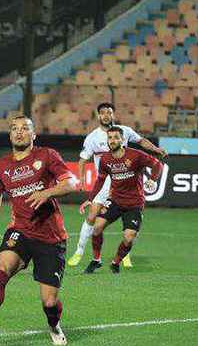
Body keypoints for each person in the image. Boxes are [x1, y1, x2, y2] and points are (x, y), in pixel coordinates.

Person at [0, 115, 80, 346]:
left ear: (33, 134)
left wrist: (47, 193)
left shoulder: (47, 156)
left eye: (25, 128)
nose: (19, 132)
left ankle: (54, 325)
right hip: (20, 230)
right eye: (14, 129)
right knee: (3, 268)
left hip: (51, 237)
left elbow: (72, 183)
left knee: (49, 302)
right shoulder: (1, 165)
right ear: (10, 135)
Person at [68, 103, 167, 271]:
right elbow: (84, 160)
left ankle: (123, 257)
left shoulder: (125, 132)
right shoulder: (93, 138)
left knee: (127, 233)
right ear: (98, 116)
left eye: (109, 112)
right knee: (93, 219)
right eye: (103, 113)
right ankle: (81, 252)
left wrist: (156, 150)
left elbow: (142, 142)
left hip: (126, 188)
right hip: (107, 180)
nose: (106, 115)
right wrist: (83, 184)